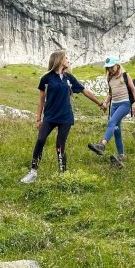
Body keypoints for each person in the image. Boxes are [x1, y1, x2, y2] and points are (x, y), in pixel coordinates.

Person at [20, 50, 106, 182]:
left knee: (60, 146)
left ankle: (62, 175)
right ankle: (33, 172)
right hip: (49, 116)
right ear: (59, 60)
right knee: (40, 140)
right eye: (66, 58)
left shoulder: (69, 78)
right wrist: (38, 118)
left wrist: (100, 103)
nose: (68, 60)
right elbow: (41, 100)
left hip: (65, 117)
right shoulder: (46, 79)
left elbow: (85, 91)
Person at [87, 57, 135, 168]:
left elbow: (133, 89)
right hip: (114, 105)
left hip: (124, 104)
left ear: (117, 65)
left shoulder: (125, 75)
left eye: (112, 67)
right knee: (116, 130)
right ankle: (121, 155)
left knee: (111, 122)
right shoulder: (110, 78)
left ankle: (102, 145)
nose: (110, 69)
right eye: (108, 68)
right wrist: (105, 103)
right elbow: (110, 94)